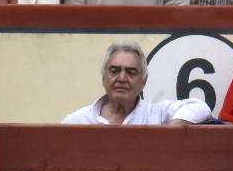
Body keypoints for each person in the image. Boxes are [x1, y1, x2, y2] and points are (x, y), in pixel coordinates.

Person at [63, 41, 212, 124]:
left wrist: (176, 125)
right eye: (114, 71)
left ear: (143, 82)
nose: (121, 78)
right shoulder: (77, 120)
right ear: (103, 78)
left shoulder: (156, 115)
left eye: (131, 72)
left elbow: (200, 107)